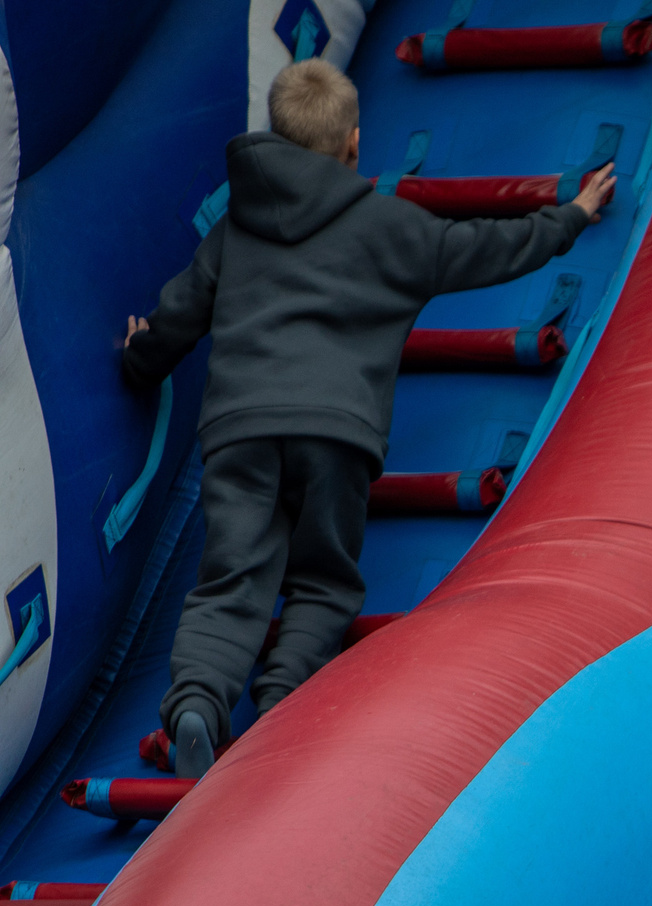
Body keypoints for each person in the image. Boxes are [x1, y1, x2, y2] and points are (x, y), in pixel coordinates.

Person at [120, 59, 616, 779]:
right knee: (322, 581)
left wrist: (138, 361)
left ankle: (197, 703)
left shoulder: (235, 231)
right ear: (353, 142)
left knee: (232, 581)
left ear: (276, 138)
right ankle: (281, 706)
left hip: (241, 430)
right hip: (337, 432)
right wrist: (568, 217)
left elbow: (177, 318)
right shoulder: (392, 227)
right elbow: (487, 249)